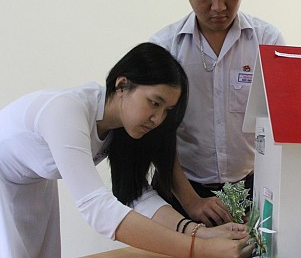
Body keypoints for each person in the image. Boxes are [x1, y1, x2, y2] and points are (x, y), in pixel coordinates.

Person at [0, 42, 254, 258]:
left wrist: (198, 232)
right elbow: (98, 209)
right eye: (154, 103)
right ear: (121, 85)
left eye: (167, 110)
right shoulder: (66, 111)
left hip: (32, 184)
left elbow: (136, 194)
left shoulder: (121, 126)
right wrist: (199, 249)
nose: (158, 118)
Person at [150, 0, 286, 227]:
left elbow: (279, 124)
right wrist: (191, 202)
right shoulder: (164, 47)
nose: (219, 7)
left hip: (250, 186)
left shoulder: (268, 42)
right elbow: (156, 133)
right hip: (181, 189)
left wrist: (265, 194)